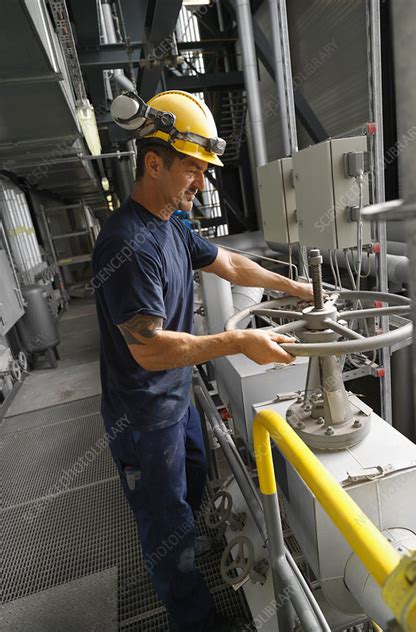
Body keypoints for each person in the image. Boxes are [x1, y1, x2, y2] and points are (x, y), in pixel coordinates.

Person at [92, 90, 314, 632]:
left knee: (188, 498)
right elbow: (149, 347)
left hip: (178, 399)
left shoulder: (170, 223)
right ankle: (193, 621)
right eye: (193, 169)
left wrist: (292, 286)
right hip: (144, 417)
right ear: (153, 163)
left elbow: (231, 263)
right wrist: (237, 343)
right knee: (165, 527)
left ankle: (195, 559)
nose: (203, 182)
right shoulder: (130, 245)